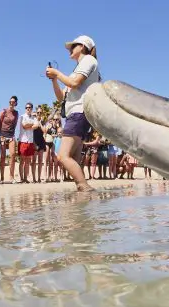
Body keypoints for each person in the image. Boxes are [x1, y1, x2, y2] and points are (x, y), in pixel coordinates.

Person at [45, 35, 100, 192]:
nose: (69, 49)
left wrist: (57, 73)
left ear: (82, 47)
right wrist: (55, 80)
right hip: (77, 115)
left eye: (72, 46)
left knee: (63, 156)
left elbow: (74, 83)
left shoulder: (88, 60)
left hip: (78, 113)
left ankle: (86, 189)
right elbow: (62, 97)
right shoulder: (78, 69)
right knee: (74, 160)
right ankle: (82, 201)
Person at [0, 95, 19, 183]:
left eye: (13, 102)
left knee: (13, 155)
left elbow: (15, 125)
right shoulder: (4, 111)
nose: (11, 103)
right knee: (2, 156)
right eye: (10, 102)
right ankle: (2, 178)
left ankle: (11, 177)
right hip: (3, 134)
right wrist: (2, 133)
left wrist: (12, 135)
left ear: (16, 103)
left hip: (11, 135)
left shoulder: (16, 113)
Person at [17, 102, 38, 183]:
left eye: (29, 107)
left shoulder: (34, 117)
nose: (28, 109)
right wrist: (31, 125)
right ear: (25, 108)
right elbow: (24, 126)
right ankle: (21, 178)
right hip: (23, 140)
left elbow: (36, 126)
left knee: (28, 161)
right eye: (26, 107)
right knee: (22, 161)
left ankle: (25, 178)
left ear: (32, 108)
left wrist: (29, 125)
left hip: (30, 141)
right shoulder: (22, 116)